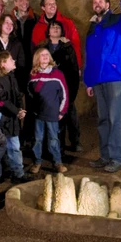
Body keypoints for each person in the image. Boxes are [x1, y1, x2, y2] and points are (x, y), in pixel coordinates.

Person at [84, 0, 121, 173]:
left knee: (115, 118)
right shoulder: (92, 29)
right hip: (98, 80)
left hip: (115, 76)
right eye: (95, 1)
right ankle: (105, 156)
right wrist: (89, 82)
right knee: (103, 119)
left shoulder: (117, 22)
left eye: (101, 1)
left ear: (108, 5)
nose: (97, 3)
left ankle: (117, 158)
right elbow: (90, 57)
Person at [27, 46, 68, 174]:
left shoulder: (57, 74)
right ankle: (37, 161)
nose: (45, 57)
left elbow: (64, 93)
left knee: (54, 139)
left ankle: (57, 162)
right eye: (42, 55)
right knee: (37, 139)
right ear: (37, 59)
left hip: (53, 114)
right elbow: (30, 94)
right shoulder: (33, 75)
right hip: (39, 114)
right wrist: (33, 108)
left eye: (47, 54)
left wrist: (62, 111)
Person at [0, 51, 26, 182]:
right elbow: (1, 100)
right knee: (10, 146)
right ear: (3, 64)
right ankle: (14, 173)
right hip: (3, 118)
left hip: (12, 116)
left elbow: (17, 95)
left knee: (13, 145)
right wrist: (17, 111)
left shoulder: (11, 77)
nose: (14, 60)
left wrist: (20, 109)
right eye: (10, 59)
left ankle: (13, 171)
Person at [42, 21, 82, 153]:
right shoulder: (42, 48)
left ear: (62, 31)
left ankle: (75, 141)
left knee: (70, 115)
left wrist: (72, 91)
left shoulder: (67, 47)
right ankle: (58, 146)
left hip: (66, 88)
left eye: (57, 27)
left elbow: (74, 69)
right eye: (52, 27)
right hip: (49, 90)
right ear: (48, 31)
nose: (54, 29)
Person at [32, 0, 82, 65]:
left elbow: (76, 45)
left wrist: (78, 65)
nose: (53, 6)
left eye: (54, 3)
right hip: (44, 66)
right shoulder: (38, 27)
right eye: (49, 4)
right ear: (43, 7)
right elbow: (35, 49)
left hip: (64, 65)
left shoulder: (67, 23)